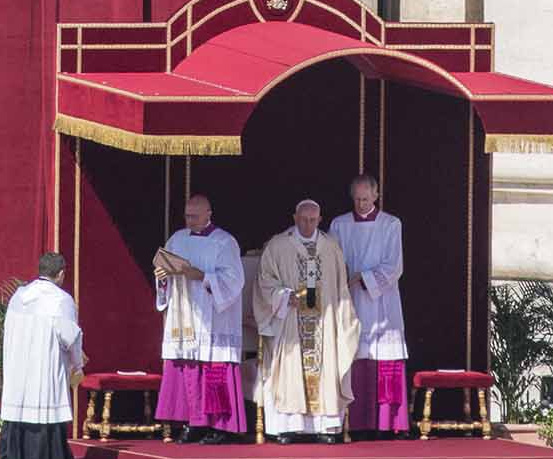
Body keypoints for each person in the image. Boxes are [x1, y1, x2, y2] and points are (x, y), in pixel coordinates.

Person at [253, 198, 361, 443]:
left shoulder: (331, 248)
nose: (307, 224)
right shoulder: (278, 246)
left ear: (320, 220)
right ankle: (289, 426)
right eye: (303, 219)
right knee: (290, 370)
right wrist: (283, 296)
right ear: (294, 218)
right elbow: (264, 281)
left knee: (326, 368)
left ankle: (325, 427)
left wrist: (344, 321)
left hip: (324, 321)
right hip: (290, 321)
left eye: (313, 220)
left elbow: (341, 290)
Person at [152, 190, 246, 440]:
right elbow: (165, 268)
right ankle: (195, 422)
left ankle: (219, 426)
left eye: (194, 216)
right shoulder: (177, 239)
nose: (189, 221)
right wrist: (162, 278)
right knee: (190, 369)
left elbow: (235, 281)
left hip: (213, 317)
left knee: (214, 370)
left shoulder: (225, 242)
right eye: (187, 216)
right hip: (185, 318)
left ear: (208, 214)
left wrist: (202, 276)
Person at [329, 175, 408, 437]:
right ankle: (356, 423)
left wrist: (363, 278)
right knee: (354, 357)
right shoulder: (339, 225)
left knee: (383, 359)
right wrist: (341, 278)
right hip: (349, 301)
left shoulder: (390, 224)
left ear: (375, 196)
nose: (361, 204)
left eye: (366, 198)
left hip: (382, 304)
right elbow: (330, 260)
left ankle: (387, 424)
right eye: (357, 199)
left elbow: (394, 266)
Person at [0, 252, 84, 459]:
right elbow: (70, 337)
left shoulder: (20, 295)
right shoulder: (61, 300)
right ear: (61, 274)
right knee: (45, 421)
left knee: (25, 419)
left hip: (19, 369)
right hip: (43, 368)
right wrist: (77, 364)